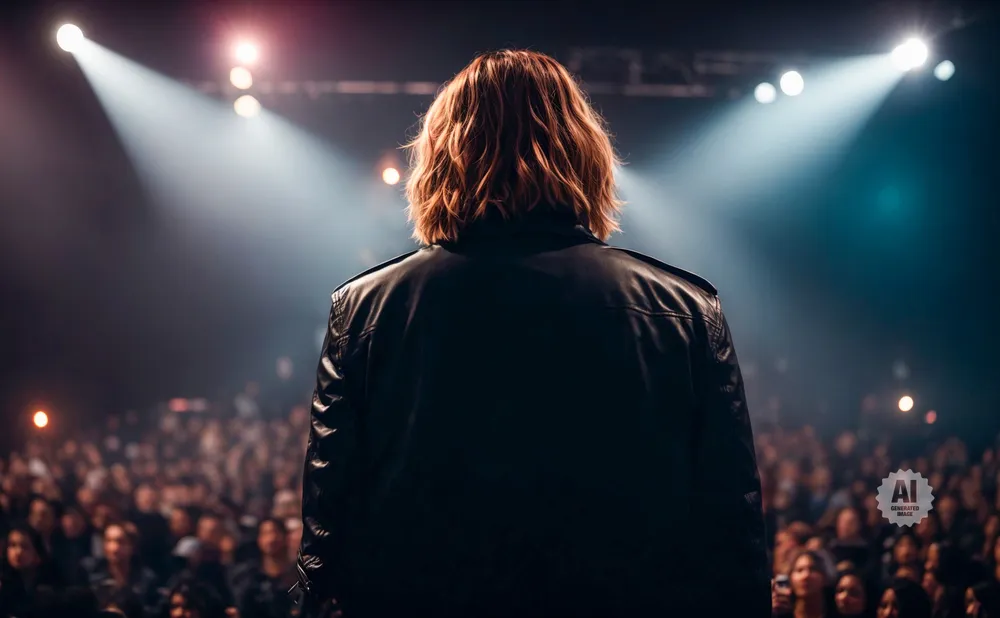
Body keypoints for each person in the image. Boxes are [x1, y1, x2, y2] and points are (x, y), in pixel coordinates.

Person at [295, 49, 767, 617]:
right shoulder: (685, 309)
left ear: (442, 153)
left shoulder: (366, 310)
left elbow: (326, 545)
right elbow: (732, 538)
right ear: (585, 151)